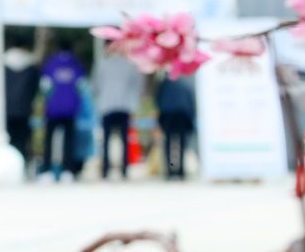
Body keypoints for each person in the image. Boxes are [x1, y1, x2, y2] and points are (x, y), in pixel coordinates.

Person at [92, 47, 145, 180]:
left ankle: (105, 170)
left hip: (106, 105)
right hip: (124, 106)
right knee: (124, 140)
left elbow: (95, 86)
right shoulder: (130, 65)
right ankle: (124, 170)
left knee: (106, 140)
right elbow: (138, 86)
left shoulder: (102, 64)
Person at [39, 39, 85, 181]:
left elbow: (44, 86)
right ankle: (67, 171)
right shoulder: (75, 64)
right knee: (69, 141)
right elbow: (81, 86)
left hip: (52, 108)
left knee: (48, 140)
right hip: (70, 108)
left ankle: (46, 171)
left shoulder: (51, 63)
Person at [3, 36, 40, 166]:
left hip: (6, 108)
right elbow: (36, 88)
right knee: (22, 140)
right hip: (24, 108)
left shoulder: (3, 64)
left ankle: (9, 165)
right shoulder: (31, 65)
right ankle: (22, 165)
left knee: (8, 138)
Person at [156, 74, 196, 180]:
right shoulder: (186, 81)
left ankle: (170, 170)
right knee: (182, 145)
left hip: (168, 114)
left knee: (169, 144)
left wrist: (160, 119)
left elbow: (159, 100)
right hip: (182, 114)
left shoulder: (165, 82)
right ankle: (180, 171)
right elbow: (190, 100)